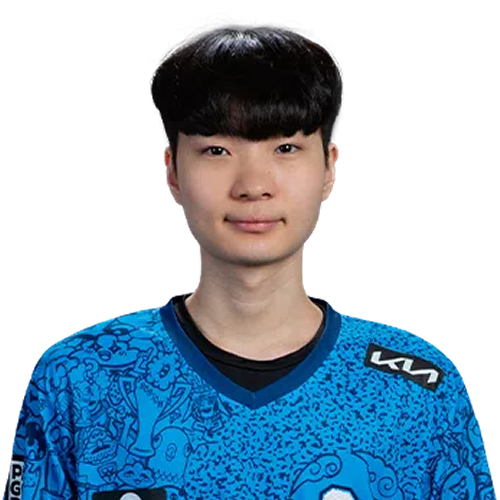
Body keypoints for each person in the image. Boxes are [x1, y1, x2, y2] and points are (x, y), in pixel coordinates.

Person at [4, 21, 495, 500]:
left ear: (329, 168)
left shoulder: (420, 388)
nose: (253, 185)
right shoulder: (79, 376)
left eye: (286, 147)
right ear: (172, 171)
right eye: (217, 150)